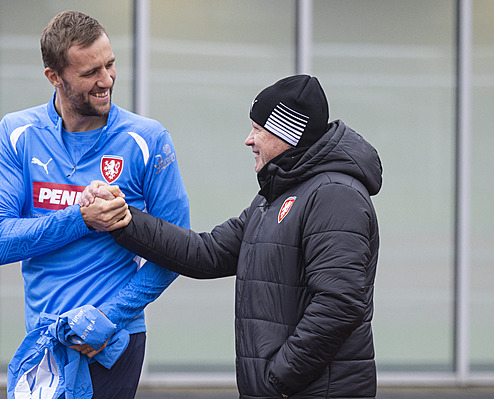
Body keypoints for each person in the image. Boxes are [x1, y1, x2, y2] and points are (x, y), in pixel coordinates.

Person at [84, 74, 382, 398]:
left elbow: (339, 303)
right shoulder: (277, 196)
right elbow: (205, 252)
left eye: (258, 129)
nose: (248, 140)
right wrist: (123, 219)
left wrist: (281, 379)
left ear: (288, 134)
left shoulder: (335, 195)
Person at [0, 10, 190, 399]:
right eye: (90, 72)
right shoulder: (17, 134)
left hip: (113, 342)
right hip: (44, 341)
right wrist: (81, 218)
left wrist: (107, 319)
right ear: (54, 77)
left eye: (110, 65)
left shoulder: (148, 140)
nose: (106, 80)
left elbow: (176, 251)